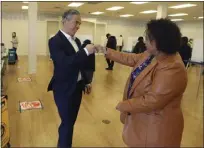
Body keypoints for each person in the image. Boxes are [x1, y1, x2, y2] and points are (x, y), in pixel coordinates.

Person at [99, 18, 187, 147]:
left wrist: (124, 105)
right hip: (142, 120)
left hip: (156, 128)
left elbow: (153, 100)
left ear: (158, 42)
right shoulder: (152, 54)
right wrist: (106, 51)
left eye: (147, 38)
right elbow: (131, 58)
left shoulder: (172, 67)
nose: (144, 41)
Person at [47, 9, 98, 148]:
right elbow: (64, 63)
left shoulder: (76, 41)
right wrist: (86, 51)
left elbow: (79, 64)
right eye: (76, 22)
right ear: (65, 20)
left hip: (77, 88)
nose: (78, 26)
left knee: (70, 122)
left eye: (79, 23)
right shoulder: (55, 41)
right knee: (67, 123)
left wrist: (86, 82)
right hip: (64, 90)